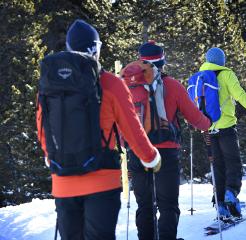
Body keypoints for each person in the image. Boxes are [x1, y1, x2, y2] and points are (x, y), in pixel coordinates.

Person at [36, 19, 161, 240]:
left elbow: (43, 127)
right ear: (96, 48)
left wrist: (51, 156)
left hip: (63, 181)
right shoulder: (111, 84)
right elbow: (132, 130)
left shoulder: (51, 83)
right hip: (102, 181)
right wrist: (151, 158)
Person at [127, 41, 212, 240]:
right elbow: (196, 118)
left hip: (138, 151)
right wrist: (207, 123)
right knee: (168, 205)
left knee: (145, 205)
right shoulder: (172, 86)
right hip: (165, 152)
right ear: (162, 61)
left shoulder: (128, 87)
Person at [199, 47, 246, 218]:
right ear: (222, 61)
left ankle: (220, 204)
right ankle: (231, 193)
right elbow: (241, 95)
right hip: (227, 128)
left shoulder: (200, 76)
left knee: (217, 166)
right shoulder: (227, 75)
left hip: (208, 129)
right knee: (233, 163)